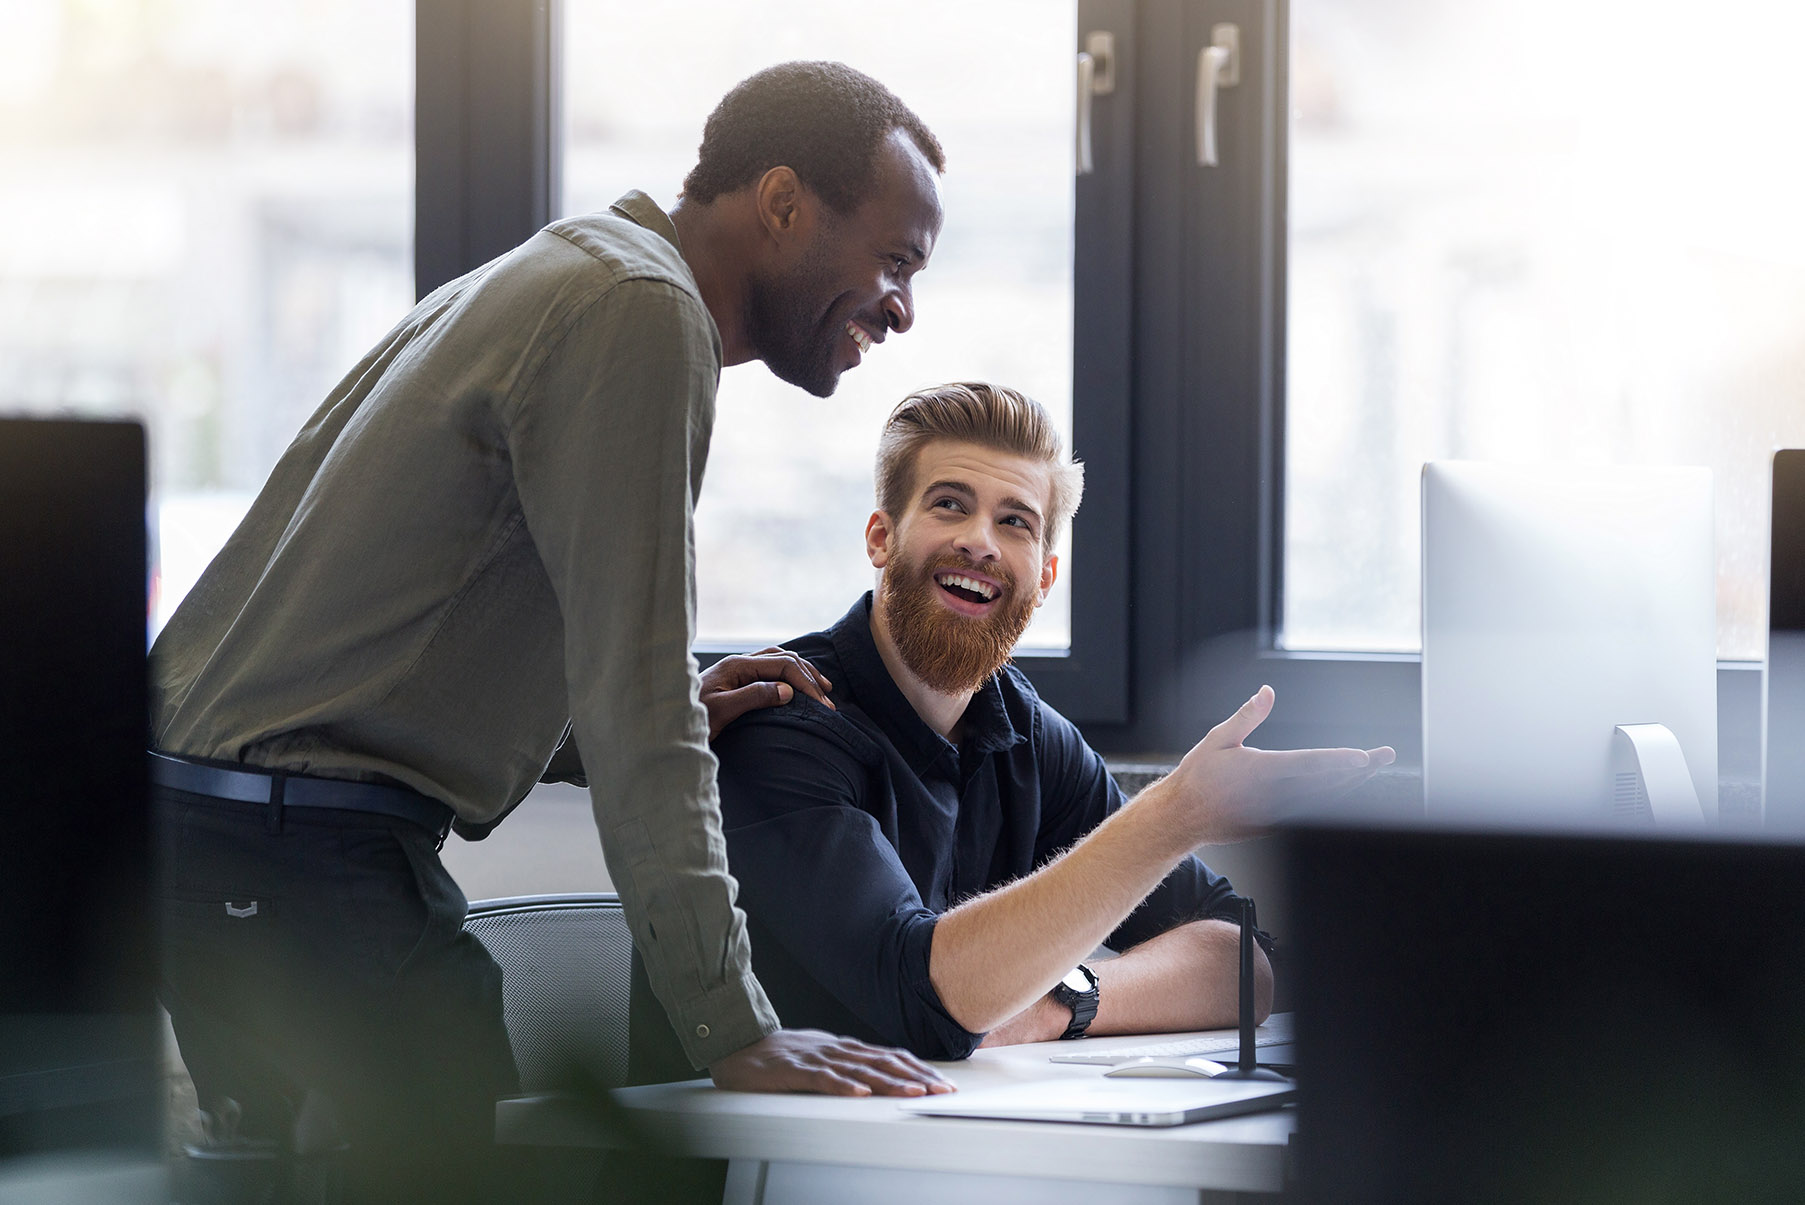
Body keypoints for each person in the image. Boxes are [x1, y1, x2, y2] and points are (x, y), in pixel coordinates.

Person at [150, 61, 952, 1200]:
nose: (902, 307)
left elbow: (431, 613)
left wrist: (639, 705)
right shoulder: (642, 311)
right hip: (295, 852)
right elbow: (637, 704)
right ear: (780, 205)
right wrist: (734, 1026)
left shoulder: (572, 267)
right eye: (894, 259)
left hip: (232, 839)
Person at [687, 382, 1395, 1061]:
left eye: (1013, 520)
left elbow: (1246, 962)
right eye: (948, 505)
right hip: (756, 1168)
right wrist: (1174, 813)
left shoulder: (1026, 732)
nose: (980, 541)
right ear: (880, 537)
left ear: (1045, 575)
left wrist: (1059, 998)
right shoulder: (782, 718)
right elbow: (926, 998)